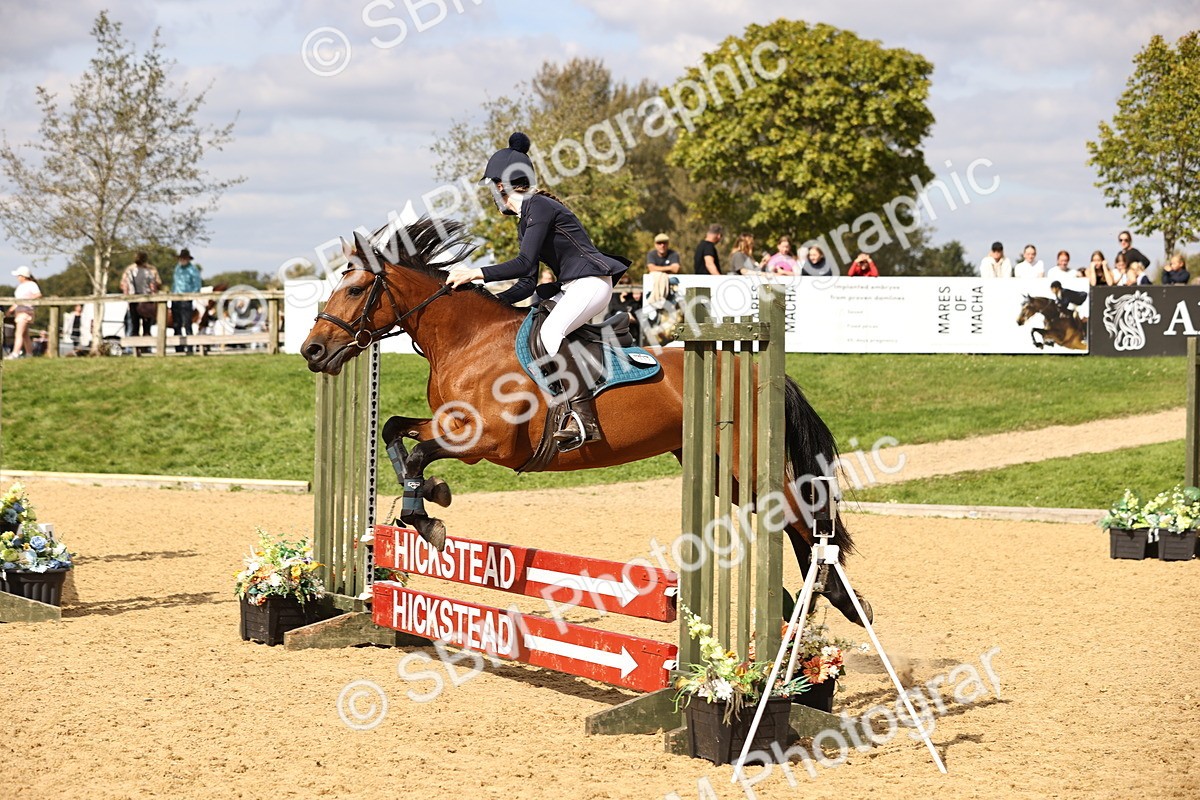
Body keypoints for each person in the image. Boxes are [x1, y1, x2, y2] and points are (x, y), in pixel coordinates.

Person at [445, 132, 628, 451]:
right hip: (574, 285)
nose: (493, 193)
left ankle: (583, 419)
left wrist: (477, 272)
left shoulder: (538, 206)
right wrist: (490, 304)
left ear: (501, 185)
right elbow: (528, 282)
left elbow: (524, 262)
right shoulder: (526, 217)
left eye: (492, 186)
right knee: (534, 327)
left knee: (552, 332)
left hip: (592, 282)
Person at [120, 251, 161, 350]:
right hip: (146, 301)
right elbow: (153, 286)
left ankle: (135, 348)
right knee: (146, 327)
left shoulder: (129, 271)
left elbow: (124, 285)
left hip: (133, 301)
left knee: (135, 326)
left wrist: (127, 297)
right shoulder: (149, 272)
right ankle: (146, 348)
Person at [170, 248, 202, 353]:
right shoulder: (177, 268)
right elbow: (175, 284)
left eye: (184, 258)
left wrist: (190, 296)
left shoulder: (193, 270)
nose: (182, 260)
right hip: (175, 299)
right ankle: (178, 348)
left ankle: (189, 348)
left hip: (186, 300)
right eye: (181, 258)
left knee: (187, 324)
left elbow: (197, 286)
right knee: (176, 324)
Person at [5, 266, 40, 359]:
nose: (17, 278)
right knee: (25, 335)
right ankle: (29, 354)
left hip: (26, 312)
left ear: (24, 276)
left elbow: (38, 295)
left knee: (18, 333)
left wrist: (27, 301)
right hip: (19, 312)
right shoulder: (20, 287)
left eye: (19, 275)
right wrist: (10, 310)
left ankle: (15, 353)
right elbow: (18, 301)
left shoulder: (32, 284)